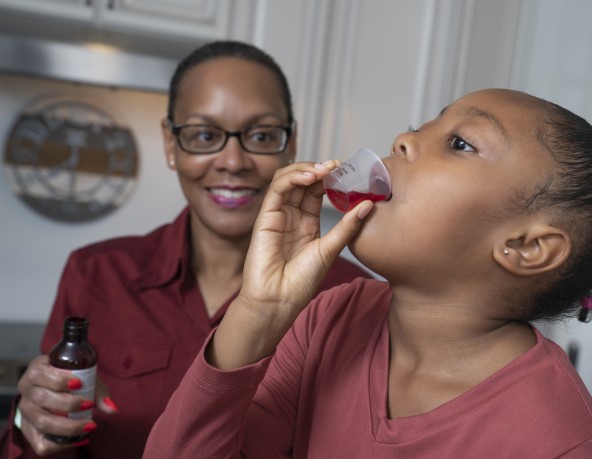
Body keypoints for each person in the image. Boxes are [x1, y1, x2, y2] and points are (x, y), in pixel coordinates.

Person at [143, 88, 592, 458]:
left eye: (461, 144)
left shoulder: (560, 443)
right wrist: (258, 313)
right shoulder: (330, 317)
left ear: (528, 246)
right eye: (423, 124)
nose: (404, 139)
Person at [0, 40, 371, 459]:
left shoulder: (356, 299)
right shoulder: (97, 273)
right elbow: (45, 439)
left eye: (262, 135)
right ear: (169, 144)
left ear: (291, 143)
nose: (233, 161)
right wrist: (30, 420)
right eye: (205, 135)